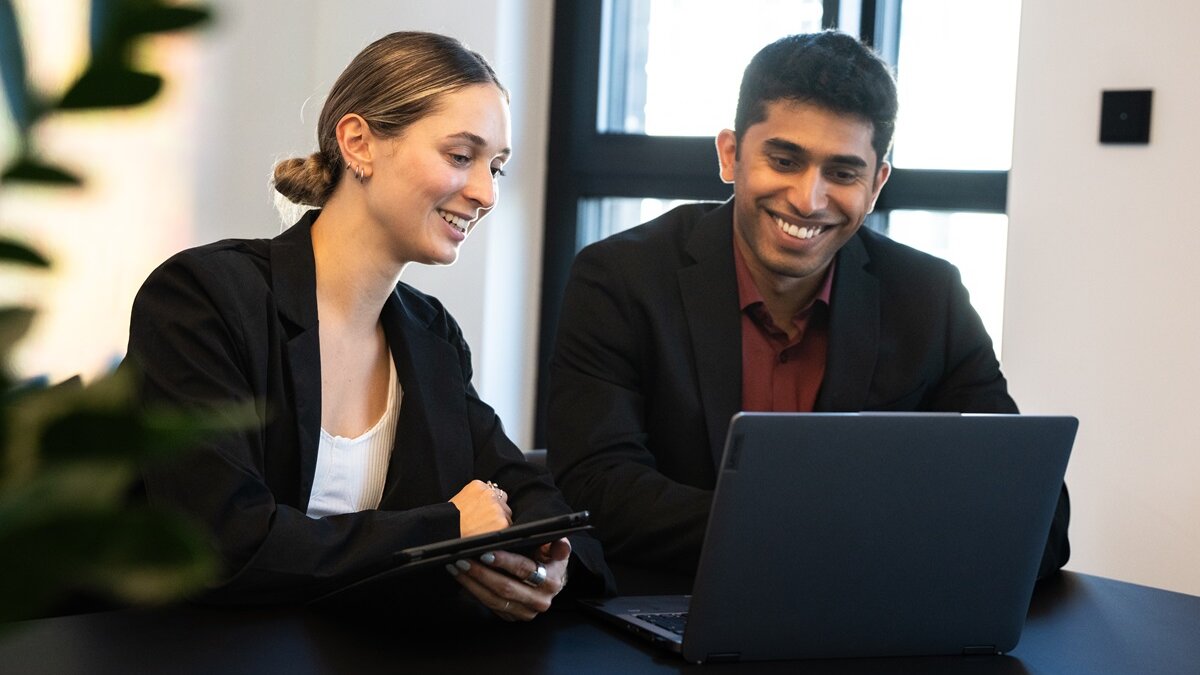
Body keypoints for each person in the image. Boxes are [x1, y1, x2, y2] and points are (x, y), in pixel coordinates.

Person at [546, 31, 1069, 592]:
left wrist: (836, 543)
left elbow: (1038, 513)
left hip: (865, 615)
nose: (808, 199)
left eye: (842, 173)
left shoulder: (929, 298)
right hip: (671, 605)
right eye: (784, 160)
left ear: (876, 184)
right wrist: (838, 535)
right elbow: (597, 489)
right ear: (730, 154)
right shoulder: (620, 278)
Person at [124, 31, 612, 617]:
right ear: (358, 143)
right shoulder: (203, 298)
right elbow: (221, 541)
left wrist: (551, 562)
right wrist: (447, 527)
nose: (485, 193)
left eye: (498, 168)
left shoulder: (432, 335)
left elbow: (531, 494)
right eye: (461, 157)